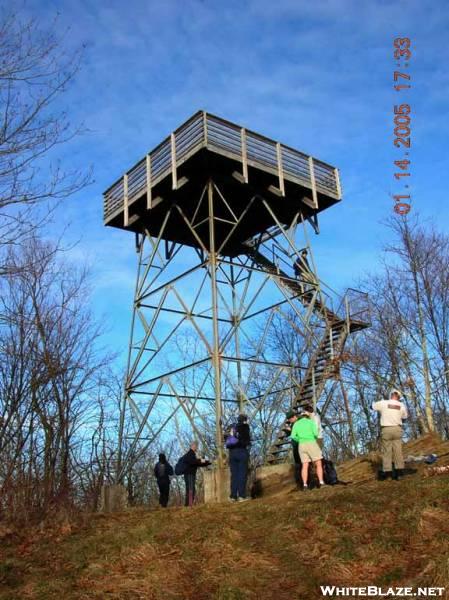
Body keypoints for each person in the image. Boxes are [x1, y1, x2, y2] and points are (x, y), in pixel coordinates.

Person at [372, 389, 408, 480]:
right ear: (398, 397)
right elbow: (405, 417)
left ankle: (388, 474)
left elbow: (371, 406)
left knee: (386, 452)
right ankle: (399, 473)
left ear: (391, 395)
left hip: (386, 429)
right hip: (397, 429)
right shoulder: (401, 405)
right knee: (398, 451)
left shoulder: (383, 403)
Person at [290, 410, 325, 490]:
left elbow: (292, 436)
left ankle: (305, 485)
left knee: (305, 465)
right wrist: (313, 438)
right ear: (307, 416)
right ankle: (321, 482)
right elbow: (316, 434)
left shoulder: (296, 424)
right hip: (311, 442)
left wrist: (300, 440)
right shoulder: (310, 422)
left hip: (301, 445)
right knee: (318, 463)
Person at [226, 414, 251, 502]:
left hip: (232, 453)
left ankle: (233, 496)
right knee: (242, 474)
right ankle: (241, 496)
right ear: (245, 420)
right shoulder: (245, 427)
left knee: (234, 475)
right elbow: (247, 440)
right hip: (241, 451)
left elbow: (226, 438)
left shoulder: (232, 427)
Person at [182, 441, 211, 507]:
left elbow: (196, 463)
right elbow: (194, 462)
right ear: (193, 446)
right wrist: (204, 461)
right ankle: (189, 504)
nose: (197, 447)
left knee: (190, 488)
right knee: (191, 488)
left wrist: (206, 462)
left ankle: (188, 504)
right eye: (196, 446)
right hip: (189, 474)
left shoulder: (192, 454)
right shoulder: (190, 454)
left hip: (190, 474)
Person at [284, 410, 301, 486]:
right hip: (295, 445)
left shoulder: (299, 422)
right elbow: (290, 434)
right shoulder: (292, 424)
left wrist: (291, 430)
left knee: (303, 462)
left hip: (300, 444)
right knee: (297, 462)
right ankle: (300, 479)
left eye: (290, 418)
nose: (289, 420)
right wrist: (287, 430)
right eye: (288, 419)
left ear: (294, 416)